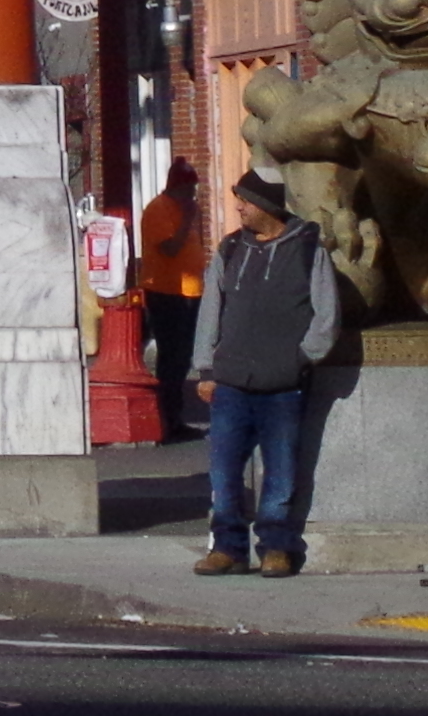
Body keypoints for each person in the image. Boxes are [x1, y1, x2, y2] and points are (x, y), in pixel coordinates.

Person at [192, 167, 340, 577]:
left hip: (283, 387)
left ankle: (276, 547)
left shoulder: (308, 248)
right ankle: (228, 548)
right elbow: (210, 312)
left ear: (267, 206)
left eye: (246, 200)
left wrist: (301, 357)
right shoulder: (230, 249)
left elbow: (326, 314)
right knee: (224, 473)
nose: (238, 206)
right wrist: (206, 368)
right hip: (231, 384)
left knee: (281, 472)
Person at [135, 165, 206, 440]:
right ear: (176, 187)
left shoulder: (183, 209)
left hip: (190, 292)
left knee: (183, 356)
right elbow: (169, 248)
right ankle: (167, 421)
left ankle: (175, 418)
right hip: (166, 292)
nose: (192, 196)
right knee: (171, 358)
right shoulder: (159, 210)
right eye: (188, 189)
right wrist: (188, 219)